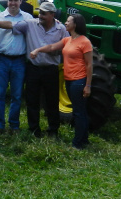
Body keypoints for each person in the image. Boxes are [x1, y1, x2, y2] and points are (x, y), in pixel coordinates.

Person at [0, 1, 69, 137]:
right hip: (33, 68)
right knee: (32, 100)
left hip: (51, 69)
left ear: (52, 15)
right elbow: (9, 25)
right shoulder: (30, 24)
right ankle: (34, 129)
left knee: (52, 101)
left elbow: (68, 45)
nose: (41, 16)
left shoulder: (61, 29)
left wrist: (57, 51)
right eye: (40, 13)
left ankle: (53, 130)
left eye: (44, 14)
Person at [30, 14, 93, 149]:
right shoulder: (67, 40)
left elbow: (89, 65)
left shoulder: (84, 42)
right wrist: (38, 50)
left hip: (79, 81)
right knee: (79, 110)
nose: (65, 22)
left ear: (75, 24)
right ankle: (84, 139)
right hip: (69, 80)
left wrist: (88, 85)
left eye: (68, 21)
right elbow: (52, 47)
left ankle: (78, 143)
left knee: (78, 112)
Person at [0, 0, 33, 134]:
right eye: (10, 0)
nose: (13, 3)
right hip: (1, 59)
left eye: (16, 0)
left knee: (17, 95)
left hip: (19, 60)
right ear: (7, 1)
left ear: (20, 1)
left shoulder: (28, 18)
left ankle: (14, 125)